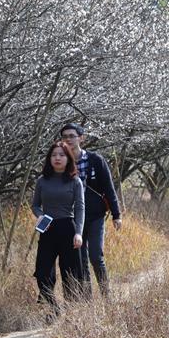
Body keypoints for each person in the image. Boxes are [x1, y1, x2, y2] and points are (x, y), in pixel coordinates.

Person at [58, 124, 122, 298]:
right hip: (73, 218)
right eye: (65, 136)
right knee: (80, 259)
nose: (68, 139)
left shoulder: (96, 160)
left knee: (95, 255)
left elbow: (109, 188)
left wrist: (116, 215)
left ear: (81, 138)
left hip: (95, 215)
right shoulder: (61, 161)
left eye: (72, 136)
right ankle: (87, 300)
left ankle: (106, 295)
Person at [30, 141, 85, 316]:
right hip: (47, 228)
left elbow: (80, 208)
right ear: (49, 158)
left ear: (68, 158)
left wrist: (78, 233)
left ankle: (70, 313)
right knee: (42, 272)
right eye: (54, 155)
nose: (57, 158)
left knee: (70, 273)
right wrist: (40, 215)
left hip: (68, 228)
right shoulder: (42, 181)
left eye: (61, 155)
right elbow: (35, 205)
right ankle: (54, 308)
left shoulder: (75, 181)